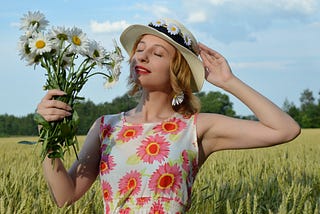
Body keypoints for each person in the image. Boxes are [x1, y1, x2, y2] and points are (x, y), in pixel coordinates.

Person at [36, 18, 300, 213]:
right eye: (139, 50)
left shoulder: (196, 127)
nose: (143, 57)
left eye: (157, 53)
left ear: (177, 70)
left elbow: (284, 129)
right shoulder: (106, 126)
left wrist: (228, 81)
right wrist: (47, 133)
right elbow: (65, 195)